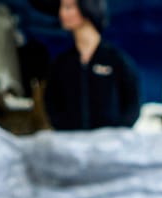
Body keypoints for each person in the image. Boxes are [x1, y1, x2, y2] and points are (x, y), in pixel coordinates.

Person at [43, 0, 140, 130]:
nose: (62, 13)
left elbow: (132, 103)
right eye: (62, 7)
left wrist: (116, 134)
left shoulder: (116, 60)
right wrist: (64, 129)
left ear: (87, 7)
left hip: (109, 146)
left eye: (68, 7)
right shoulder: (61, 64)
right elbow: (51, 103)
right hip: (71, 146)